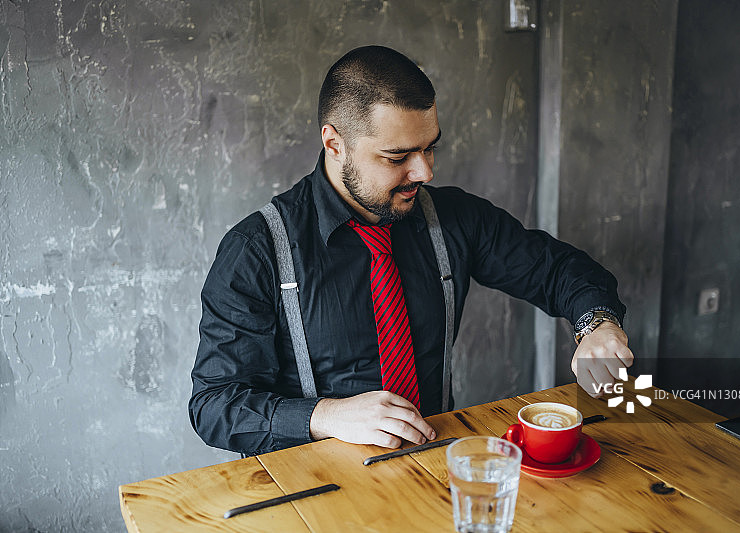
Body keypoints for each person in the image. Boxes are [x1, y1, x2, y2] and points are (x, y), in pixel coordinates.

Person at [189, 45, 633, 456]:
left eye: (430, 147)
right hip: (315, 493)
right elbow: (214, 405)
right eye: (397, 155)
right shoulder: (256, 249)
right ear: (334, 144)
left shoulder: (454, 218)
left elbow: (559, 271)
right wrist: (326, 416)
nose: (423, 171)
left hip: (434, 466)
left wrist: (597, 325)